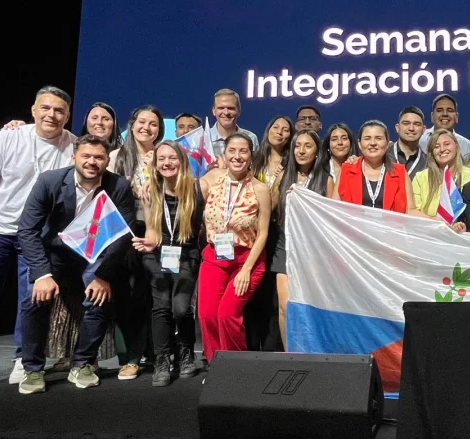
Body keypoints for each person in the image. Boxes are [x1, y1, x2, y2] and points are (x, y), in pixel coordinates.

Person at [0, 86, 77, 389]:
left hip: (39, 237)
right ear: (33, 110)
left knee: (32, 300)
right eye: (45, 108)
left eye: (59, 110)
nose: (52, 115)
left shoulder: (73, 145)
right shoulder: (10, 137)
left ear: (68, 115)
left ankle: (24, 358)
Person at [16, 135, 136, 394]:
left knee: (99, 297)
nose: (92, 162)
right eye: (86, 156)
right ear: (74, 157)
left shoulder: (119, 186)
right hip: (56, 253)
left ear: (107, 160)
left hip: (94, 256)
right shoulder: (50, 181)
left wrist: (103, 274)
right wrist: (41, 273)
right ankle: (32, 369)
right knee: (33, 299)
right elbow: (27, 230)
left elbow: (124, 233)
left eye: (99, 157)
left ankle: (82, 364)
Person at [132, 141, 205, 386]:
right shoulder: (150, 190)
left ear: (182, 161)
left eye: (172, 158)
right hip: (156, 254)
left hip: (186, 254)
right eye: (161, 159)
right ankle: (162, 359)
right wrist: (150, 243)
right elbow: (152, 230)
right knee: (161, 306)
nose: (166, 163)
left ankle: (186, 352)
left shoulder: (197, 188)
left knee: (181, 308)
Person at [198, 134, 271, 364]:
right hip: (214, 257)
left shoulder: (260, 189)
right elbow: (178, 185)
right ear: (224, 154)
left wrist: (247, 270)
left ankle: (235, 367)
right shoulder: (211, 180)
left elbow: (263, 233)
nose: (237, 156)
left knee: (227, 314)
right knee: (207, 314)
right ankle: (216, 365)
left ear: (251, 156)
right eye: (232, 151)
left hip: (247, 260)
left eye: (243, 151)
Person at [109, 105, 165, 381]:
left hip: (157, 229)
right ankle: (129, 357)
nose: (147, 127)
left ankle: (156, 354)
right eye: (142, 122)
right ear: (131, 125)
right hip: (123, 231)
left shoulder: (164, 156)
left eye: (153, 124)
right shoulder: (116, 157)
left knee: (153, 293)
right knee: (127, 294)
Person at [272, 130, 334, 346]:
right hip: (285, 246)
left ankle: (310, 353)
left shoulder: (326, 180)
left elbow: (334, 219)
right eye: (298, 145)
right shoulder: (282, 176)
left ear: (317, 152)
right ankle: (289, 353)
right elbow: (270, 208)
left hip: (313, 250)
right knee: (286, 306)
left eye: (308, 146)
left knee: (309, 307)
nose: (301, 150)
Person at [333, 120, 420, 214]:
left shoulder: (400, 172)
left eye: (378, 138)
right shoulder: (346, 170)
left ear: (387, 144)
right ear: (359, 144)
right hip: (354, 228)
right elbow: (333, 207)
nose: (373, 143)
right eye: (367, 138)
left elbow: (410, 210)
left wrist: (435, 221)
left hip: (389, 228)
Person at [413, 129, 470, 217]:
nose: (442, 149)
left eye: (447, 144)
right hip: (432, 229)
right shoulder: (421, 178)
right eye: (436, 147)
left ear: (456, 146)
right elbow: (413, 210)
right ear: (432, 153)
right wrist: (434, 221)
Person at [251, 115, 294, 194]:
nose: (279, 132)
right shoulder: (253, 159)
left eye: (285, 130)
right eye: (275, 127)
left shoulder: (292, 163)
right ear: (268, 130)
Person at [209, 89, 258, 156]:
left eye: (231, 108)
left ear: (239, 111)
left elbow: (255, 165)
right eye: (221, 108)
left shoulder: (251, 138)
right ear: (214, 111)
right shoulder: (203, 139)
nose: (226, 112)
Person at [392, 106, 428, 181]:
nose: (411, 128)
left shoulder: (428, 163)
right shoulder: (383, 157)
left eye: (417, 124)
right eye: (406, 123)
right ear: (397, 128)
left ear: (423, 130)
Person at [322, 123, 360, 190]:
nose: (339, 142)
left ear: (351, 143)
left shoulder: (360, 166)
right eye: (334, 139)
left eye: (344, 138)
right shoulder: (320, 169)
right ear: (328, 145)